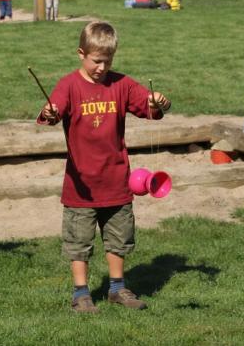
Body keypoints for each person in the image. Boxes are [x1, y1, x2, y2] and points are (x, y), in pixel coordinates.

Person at [37, 21, 171, 313]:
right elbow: (53, 110)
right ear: (81, 54)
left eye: (107, 61)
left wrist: (159, 101)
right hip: (81, 185)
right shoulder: (68, 85)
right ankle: (81, 294)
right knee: (79, 242)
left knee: (118, 239)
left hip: (117, 180)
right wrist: (50, 112)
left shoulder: (121, 84)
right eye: (97, 61)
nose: (102, 67)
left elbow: (148, 106)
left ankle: (117, 288)